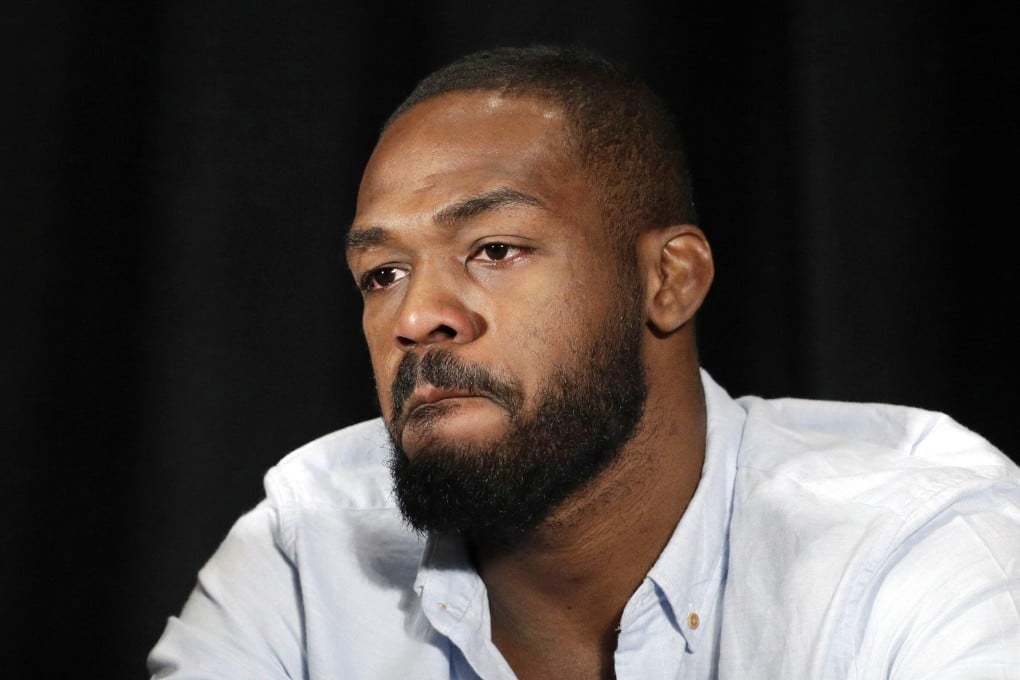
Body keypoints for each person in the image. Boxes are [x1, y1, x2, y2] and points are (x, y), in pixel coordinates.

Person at [148, 45, 1020, 679]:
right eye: (383, 273)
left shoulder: (913, 543)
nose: (416, 317)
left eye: (494, 248)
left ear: (669, 281)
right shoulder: (311, 540)